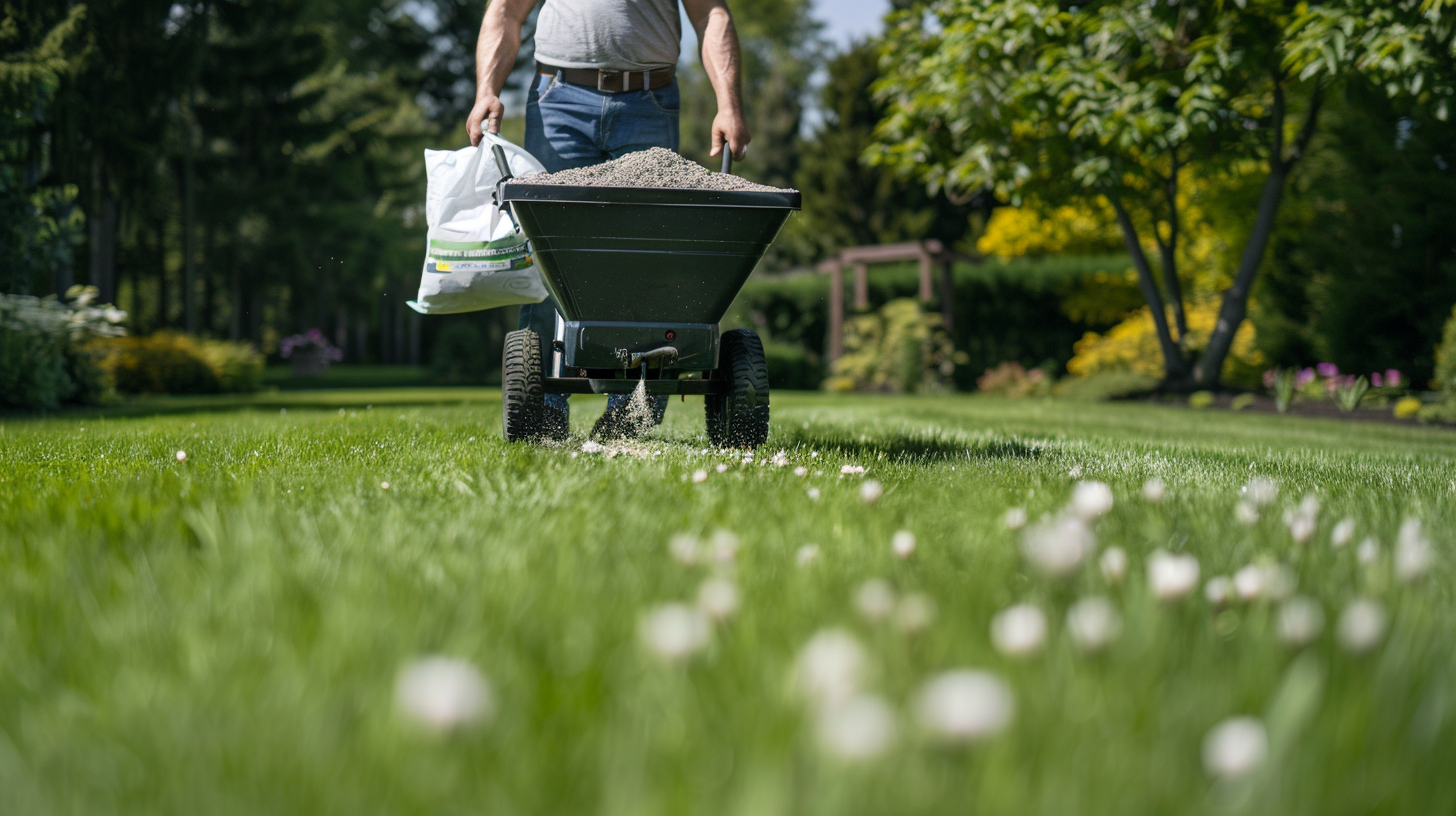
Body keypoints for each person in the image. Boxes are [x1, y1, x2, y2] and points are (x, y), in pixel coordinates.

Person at [467, 0, 750, 438]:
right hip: (557, 99)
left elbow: (711, 13)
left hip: (649, 101)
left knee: (649, 259)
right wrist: (487, 89)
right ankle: (543, 412)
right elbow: (505, 10)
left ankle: (631, 415)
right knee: (551, 254)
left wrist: (728, 104)